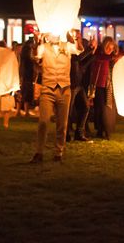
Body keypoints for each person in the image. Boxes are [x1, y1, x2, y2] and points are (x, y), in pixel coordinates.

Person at [29, 30, 83, 163]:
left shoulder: (67, 46)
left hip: (64, 89)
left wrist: (77, 38)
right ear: (47, 36)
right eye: (50, 33)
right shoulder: (43, 48)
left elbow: (79, 50)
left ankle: (59, 152)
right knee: (43, 121)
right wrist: (36, 42)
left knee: (62, 123)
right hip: (47, 88)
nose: (53, 34)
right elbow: (35, 56)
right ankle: (39, 152)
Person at [90, 36, 118, 140]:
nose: (110, 51)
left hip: (108, 85)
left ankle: (105, 129)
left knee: (107, 107)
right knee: (100, 108)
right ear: (104, 47)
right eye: (108, 48)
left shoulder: (111, 58)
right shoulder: (99, 54)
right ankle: (100, 129)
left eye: (112, 49)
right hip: (98, 85)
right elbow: (100, 59)